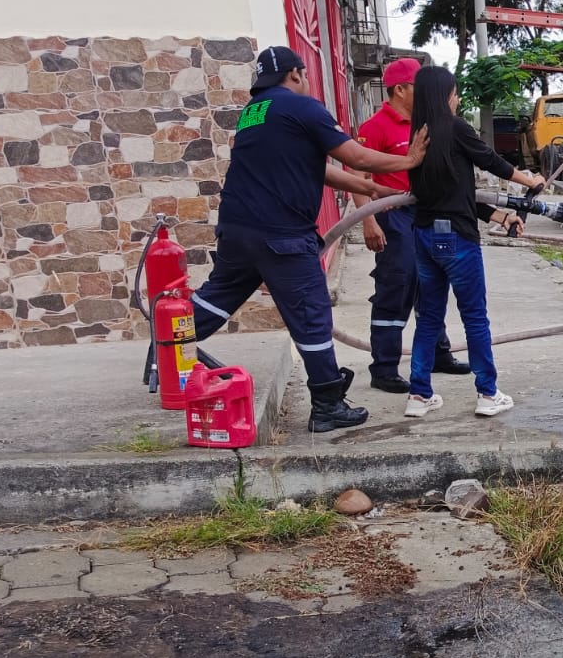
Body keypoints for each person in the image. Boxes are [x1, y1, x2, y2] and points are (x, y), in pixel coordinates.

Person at [190, 45, 427, 433]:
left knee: (217, 298)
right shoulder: (302, 107)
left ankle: (163, 353)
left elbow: (320, 170)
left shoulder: (255, 112)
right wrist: (409, 162)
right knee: (312, 315)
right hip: (281, 234)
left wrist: (375, 191)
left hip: (237, 228)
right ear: (296, 74)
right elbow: (357, 157)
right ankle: (327, 403)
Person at [404, 65, 544, 420]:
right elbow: (491, 161)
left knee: (429, 318)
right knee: (475, 319)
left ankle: (418, 395)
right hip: (457, 240)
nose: (457, 99)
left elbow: (457, 194)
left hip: (426, 236)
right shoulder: (455, 127)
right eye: (454, 93)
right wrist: (529, 180)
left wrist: (502, 217)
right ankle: (488, 393)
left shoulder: (418, 135)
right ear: (444, 96)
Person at [354, 57, 471, 392]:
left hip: (426, 213)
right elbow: (357, 177)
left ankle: (438, 353)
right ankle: (384, 367)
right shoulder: (375, 127)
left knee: (430, 282)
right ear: (401, 90)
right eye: (419, 86)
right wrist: (369, 222)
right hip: (393, 214)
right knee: (397, 284)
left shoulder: (427, 123)